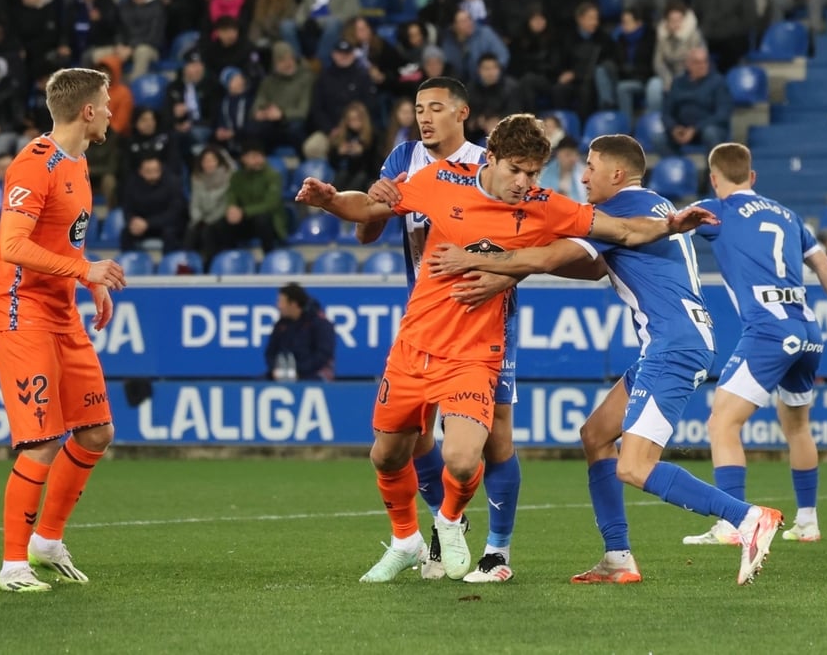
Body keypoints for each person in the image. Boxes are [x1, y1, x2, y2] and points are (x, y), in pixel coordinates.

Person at [295, 115, 719, 584]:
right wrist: (331, 201)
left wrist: (672, 224)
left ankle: (453, 523)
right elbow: (370, 211)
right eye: (516, 170)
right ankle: (405, 539)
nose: (525, 183)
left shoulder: (544, 205)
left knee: (463, 457)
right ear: (491, 159)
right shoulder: (438, 181)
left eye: (534, 173)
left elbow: (622, 232)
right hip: (416, 343)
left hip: (477, 351)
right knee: (387, 455)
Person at [426, 135, 785, 586]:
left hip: (672, 344)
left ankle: (747, 517)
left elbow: (552, 254)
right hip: (679, 339)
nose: (583, 175)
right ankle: (617, 557)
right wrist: (513, 271)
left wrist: (485, 260)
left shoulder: (618, 211)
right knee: (596, 435)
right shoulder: (652, 205)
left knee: (633, 466)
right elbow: (592, 266)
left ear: (616, 175)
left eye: (591, 166)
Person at [354, 77, 515, 583]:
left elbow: (521, 232)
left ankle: (498, 552)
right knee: (411, 437)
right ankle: (447, 529)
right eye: (418, 108)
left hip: (484, 319)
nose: (424, 117)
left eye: (436, 108)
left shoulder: (487, 163)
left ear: (462, 112)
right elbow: (366, 229)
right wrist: (379, 198)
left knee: (494, 441)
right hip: (423, 321)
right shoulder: (404, 158)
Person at [676, 143, 827, 548]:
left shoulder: (717, 208)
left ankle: (733, 522)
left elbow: (670, 225)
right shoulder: (788, 215)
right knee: (797, 426)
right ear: (753, 177)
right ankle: (808, 522)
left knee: (722, 423)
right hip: (809, 330)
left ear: (713, 178)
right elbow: (824, 265)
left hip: (768, 330)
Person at [0, 67, 128, 592]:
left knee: (96, 431)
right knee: (42, 441)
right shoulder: (33, 165)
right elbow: (13, 246)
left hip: (63, 312)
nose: (113, 111)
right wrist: (85, 271)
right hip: (22, 312)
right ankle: (12, 566)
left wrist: (89, 281)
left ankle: (47, 541)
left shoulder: (80, 161)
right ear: (87, 110)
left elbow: (63, 241)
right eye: (107, 102)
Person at [265, 283, 336, 382]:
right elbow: (270, 353)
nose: (278, 306)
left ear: (293, 304)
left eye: (281, 302)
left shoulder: (320, 324)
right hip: (284, 373)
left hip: (314, 373)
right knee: (256, 383)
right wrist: (275, 369)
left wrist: (298, 370)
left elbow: (322, 355)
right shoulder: (280, 325)